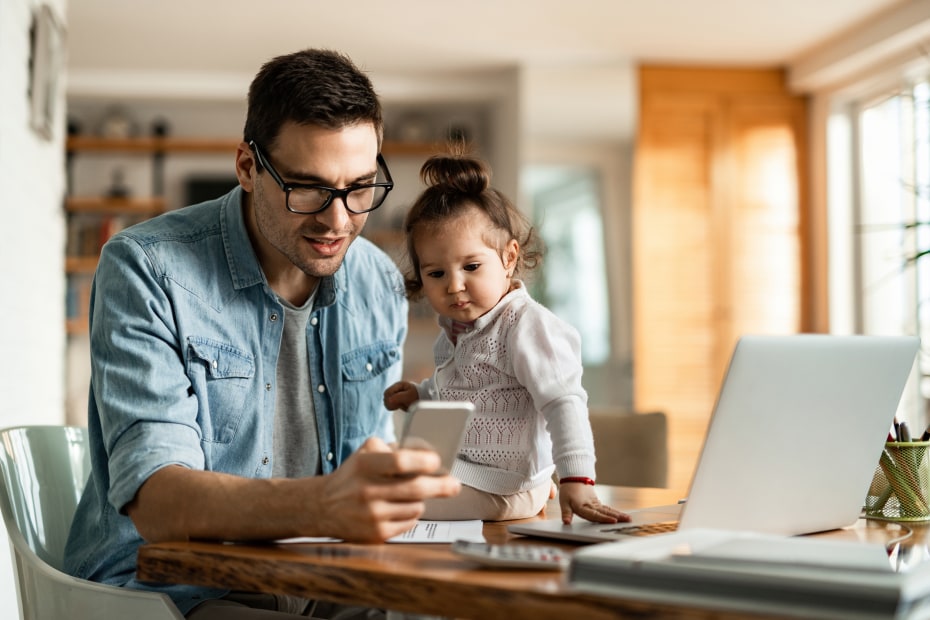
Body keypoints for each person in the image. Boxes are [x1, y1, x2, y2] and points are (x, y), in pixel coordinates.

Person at [63, 48, 461, 619]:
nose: (339, 220)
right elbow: (158, 501)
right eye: (308, 189)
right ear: (248, 167)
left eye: (360, 188)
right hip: (173, 591)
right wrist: (326, 505)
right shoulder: (146, 268)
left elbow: (366, 480)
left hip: (327, 582)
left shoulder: (377, 280)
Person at [382, 150, 629, 526]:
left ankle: (534, 488)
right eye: (435, 274)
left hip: (502, 486)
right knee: (385, 468)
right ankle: (535, 485)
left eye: (471, 266)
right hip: (476, 472)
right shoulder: (456, 331)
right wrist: (423, 394)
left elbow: (564, 402)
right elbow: (468, 391)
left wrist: (577, 479)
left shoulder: (526, 326)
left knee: (392, 501)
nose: (454, 285)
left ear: (509, 257)